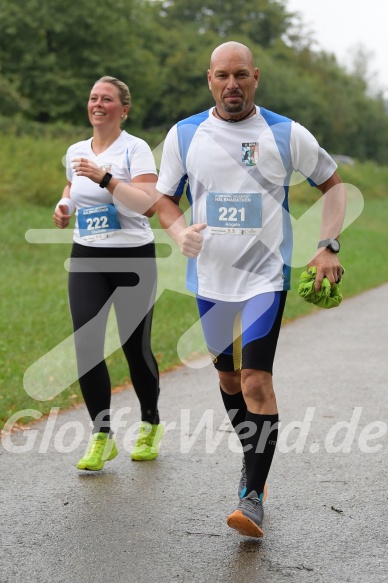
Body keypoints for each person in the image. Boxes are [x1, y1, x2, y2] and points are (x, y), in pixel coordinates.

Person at [156, 42, 346, 537]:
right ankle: (253, 453)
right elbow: (164, 201)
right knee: (229, 382)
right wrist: (179, 232)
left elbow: (334, 185)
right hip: (210, 279)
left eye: (241, 75)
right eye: (222, 76)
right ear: (209, 79)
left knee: (257, 381)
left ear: (256, 77)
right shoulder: (185, 134)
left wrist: (328, 244)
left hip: (266, 276)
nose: (232, 85)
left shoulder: (286, 134)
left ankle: (253, 494)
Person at [53, 76, 164, 471]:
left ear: (124, 109)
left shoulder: (135, 149)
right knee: (86, 347)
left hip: (133, 259)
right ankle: (102, 436)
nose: (97, 104)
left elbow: (148, 204)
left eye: (107, 99)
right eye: (93, 98)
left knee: (135, 349)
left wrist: (105, 177)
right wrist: (64, 206)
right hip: (87, 256)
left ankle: (150, 423)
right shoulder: (75, 150)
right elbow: (71, 188)